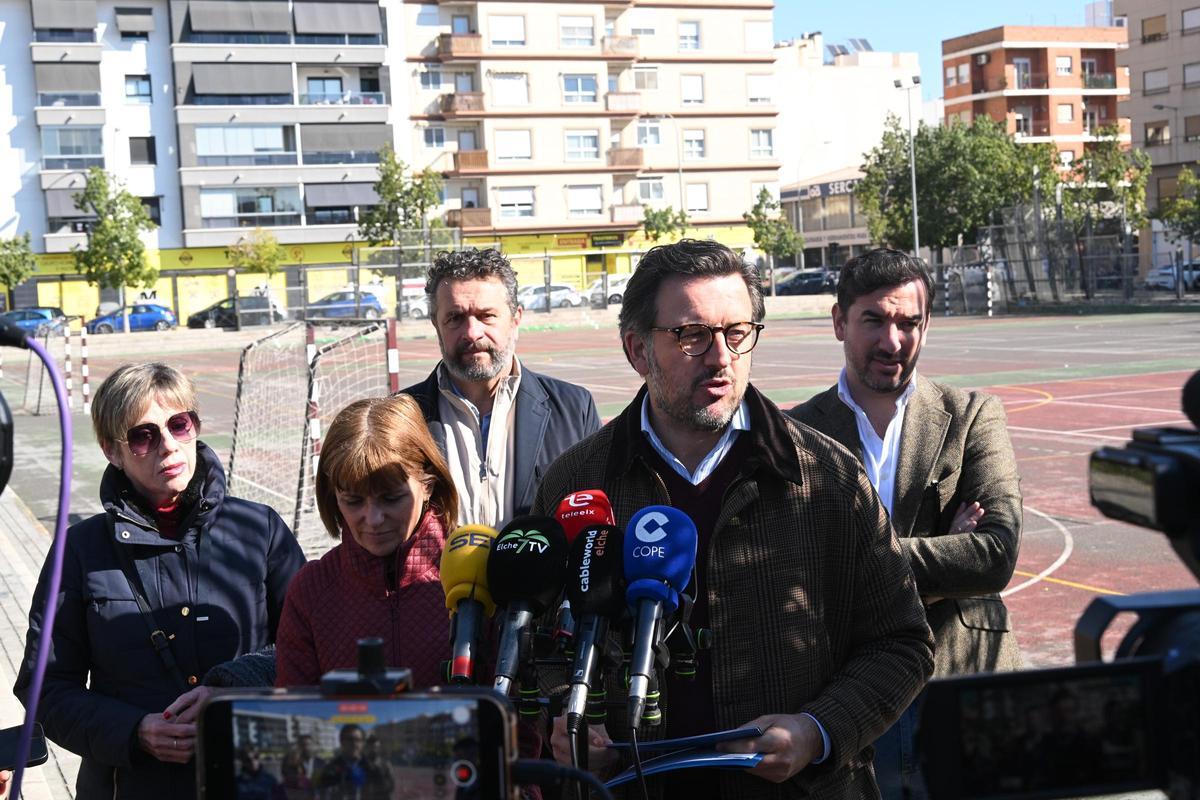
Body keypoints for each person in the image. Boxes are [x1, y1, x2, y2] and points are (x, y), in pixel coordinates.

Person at [535, 239, 933, 799]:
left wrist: (817, 731)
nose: (721, 356)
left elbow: (902, 642)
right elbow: (542, 643)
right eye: (692, 335)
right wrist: (568, 716)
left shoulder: (828, 478)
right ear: (638, 349)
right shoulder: (577, 484)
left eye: (737, 332)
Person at [788, 248, 1023, 797]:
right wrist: (944, 554)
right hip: (851, 696)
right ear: (839, 322)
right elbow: (794, 568)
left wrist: (854, 561)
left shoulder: (972, 416)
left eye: (908, 323)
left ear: (926, 325)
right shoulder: (796, 433)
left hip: (961, 678)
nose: (892, 342)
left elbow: (994, 555)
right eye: (873, 320)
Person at [14, 362, 306, 799]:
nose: (167, 445)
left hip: (253, 780)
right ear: (112, 451)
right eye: (143, 436)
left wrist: (233, 687)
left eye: (178, 424)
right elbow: (45, 688)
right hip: (130, 786)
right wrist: (134, 732)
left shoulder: (259, 529)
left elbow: (313, 648)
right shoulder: (79, 549)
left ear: (195, 427)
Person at [401, 248, 600, 528]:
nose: (472, 333)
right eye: (455, 318)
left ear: (515, 319)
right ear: (436, 325)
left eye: (486, 316)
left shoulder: (574, 409)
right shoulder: (401, 417)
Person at [274, 395, 459, 688]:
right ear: (333, 496)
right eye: (353, 501)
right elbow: (294, 709)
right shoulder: (311, 590)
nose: (373, 519)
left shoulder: (473, 578)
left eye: (391, 498)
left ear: (428, 485)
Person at [316, 725, 392, 800]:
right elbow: (323, 794)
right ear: (341, 742)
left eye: (358, 740)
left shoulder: (373, 769)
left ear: (363, 743)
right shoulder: (330, 770)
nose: (354, 744)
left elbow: (384, 794)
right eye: (350, 739)